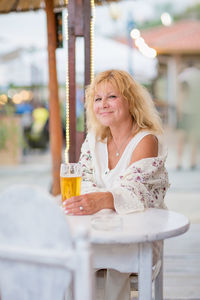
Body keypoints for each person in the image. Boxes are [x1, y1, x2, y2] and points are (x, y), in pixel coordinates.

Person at [63, 69, 169, 300]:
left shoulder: (145, 139)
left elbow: (136, 192)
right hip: (97, 227)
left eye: (112, 97)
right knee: (65, 251)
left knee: (93, 252)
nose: (104, 104)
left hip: (139, 233)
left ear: (130, 101)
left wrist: (102, 199)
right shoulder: (94, 140)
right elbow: (84, 182)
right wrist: (102, 199)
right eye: (98, 99)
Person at [176, 63, 200, 170]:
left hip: (185, 111)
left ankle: (179, 161)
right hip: (196, 111)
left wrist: (179, 111)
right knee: (193, 138)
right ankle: (192, 161)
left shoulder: (183, 76)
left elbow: (182, 94)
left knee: (181, 137)